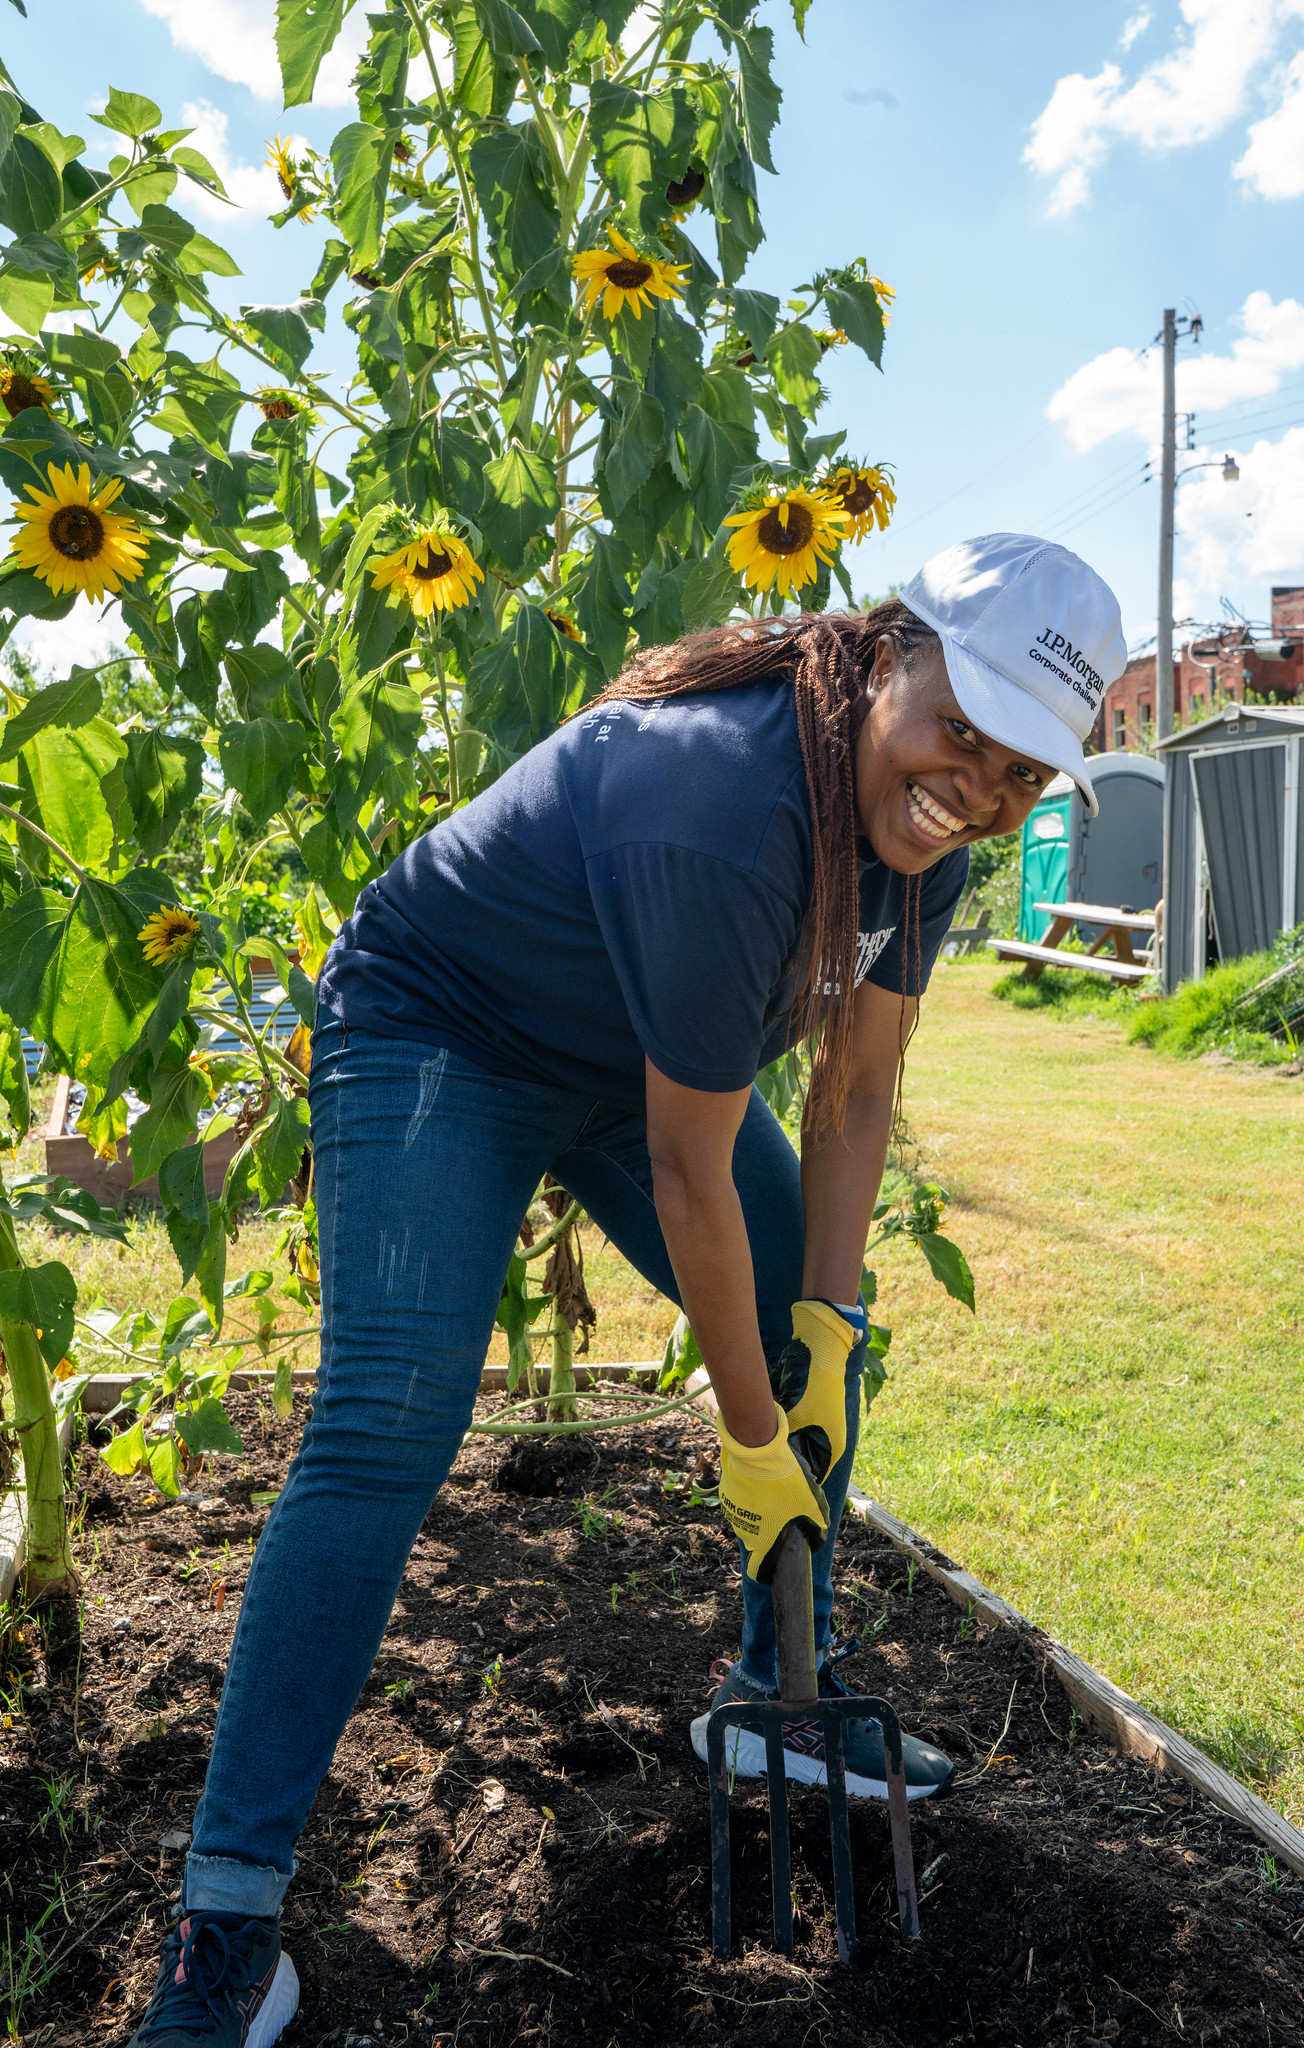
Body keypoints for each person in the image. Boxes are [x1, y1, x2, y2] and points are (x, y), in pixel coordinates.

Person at [128, 532, 1125, 2047]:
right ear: (888, 651)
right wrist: (748, 1441)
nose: (979, 785)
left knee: (814, 1346)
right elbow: (688, 1173)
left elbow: (856, 1092)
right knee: (387, 1419)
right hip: (439, 1028)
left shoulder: (932, 840)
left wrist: (821, 1339)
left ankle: (777, 1685)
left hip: (627, 1070)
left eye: (1021, 770)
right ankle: (225, 1920)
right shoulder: (717, 795)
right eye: (962, 730)